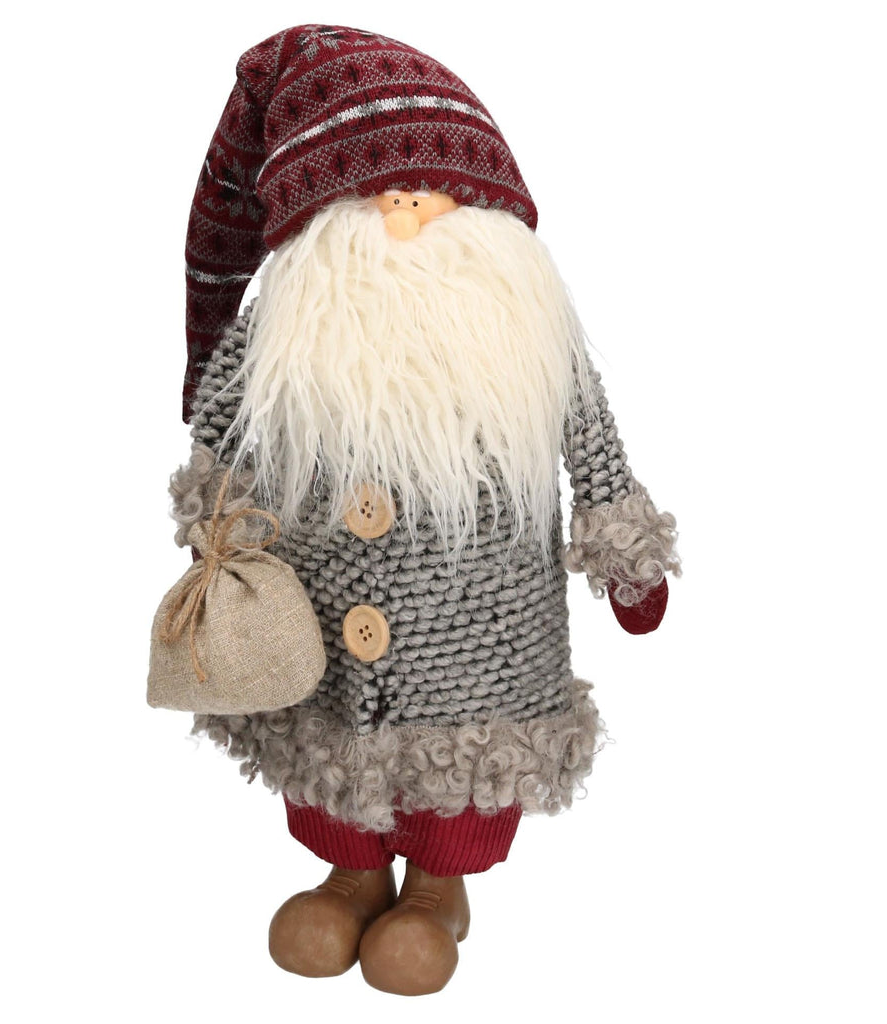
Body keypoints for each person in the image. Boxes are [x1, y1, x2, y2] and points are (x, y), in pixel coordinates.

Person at [168, 24, 679, 996]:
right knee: (325, 743)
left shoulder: (530, 341)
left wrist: (626, 553)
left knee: (465, 769)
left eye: (436, 187)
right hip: (316, 630)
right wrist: (215, 528)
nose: (405, 207)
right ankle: (350, 876)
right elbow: (220, 433)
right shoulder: (282, 342)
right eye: (373, 190)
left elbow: (594, 446)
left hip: (485, 643)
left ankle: (439, 890)